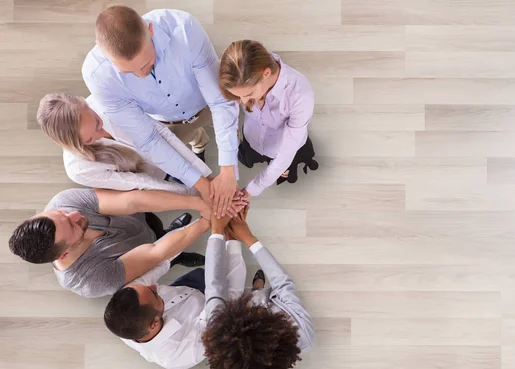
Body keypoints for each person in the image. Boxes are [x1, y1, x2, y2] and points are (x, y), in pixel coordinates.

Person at [83, 5, 240, 216]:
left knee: (235, 133)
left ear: (150, 30)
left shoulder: (184, 29)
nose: (141, 75)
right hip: (167, 122)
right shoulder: (97, 76)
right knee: (191, 138)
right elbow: (148, 140)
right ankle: (199, 146)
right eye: (128, 72)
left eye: (147, 63)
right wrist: (203, 186)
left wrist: (229, 168)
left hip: (206, 104)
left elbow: (220, 103)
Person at [103, 216, 248, 369]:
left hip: (187, 288)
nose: (153, 286)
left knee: (202, 274)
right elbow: (228, 292)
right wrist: (231, 239)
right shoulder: (181, 352)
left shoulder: (129, 299)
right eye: (154, 294)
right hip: (210, 314)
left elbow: (160, 258)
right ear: (154, 323)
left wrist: (206, 221)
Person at [8, 188, 211, 298]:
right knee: (168, 256)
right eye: (73, 225)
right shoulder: (92, 280)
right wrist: (209, 221)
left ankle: (170, 233)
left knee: (158, 229)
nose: (75, 214)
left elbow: (133, 201)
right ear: (63, 254)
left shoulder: (63, 202)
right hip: (147, 253)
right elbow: (155, 253)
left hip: (140, 221)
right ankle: (179, 255)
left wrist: (198, 202)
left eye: (61, 214)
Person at [202, 207, 314, 369]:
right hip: (269, 299)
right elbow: (283, 284)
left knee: (231, 286)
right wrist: (248, 237)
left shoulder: (219, 332)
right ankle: (258, 287)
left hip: (234, 298)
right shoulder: (301, 331)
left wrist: (219, 231)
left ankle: (256, 288)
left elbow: (215, 285)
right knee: (255, 289)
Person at [37, 92, 211, 195]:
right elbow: (141, 182)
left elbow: (161, 134)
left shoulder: (106, 100)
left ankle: (198, 150)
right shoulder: (79, 169)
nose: (100, 133)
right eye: (89, 140)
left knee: (188, 137)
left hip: (163, 145)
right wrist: (192, 192)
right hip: (153, 175)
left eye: (98, 123)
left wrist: (204, 177)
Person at [219, 40, 319, 198]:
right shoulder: (242, 75)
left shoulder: (299, 95)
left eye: (249, 95)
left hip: (280, 149)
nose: (243, 102)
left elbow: (286, 154)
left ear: (265, 73)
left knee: (284, 168)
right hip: (251, 139)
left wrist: (251, 190)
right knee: (247, 157)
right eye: (239, 97)